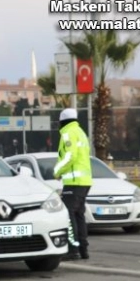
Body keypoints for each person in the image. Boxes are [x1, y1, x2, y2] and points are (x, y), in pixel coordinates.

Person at [53, 108, 92, 260]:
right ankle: (83, 249)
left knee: (68, 215)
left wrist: (57, 171)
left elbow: (70, 156)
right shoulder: (81, 132)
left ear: (62, 121)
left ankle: (72, 249)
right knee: (79, 214)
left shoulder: (68, 133)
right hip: (84, 181)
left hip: (74, 182)